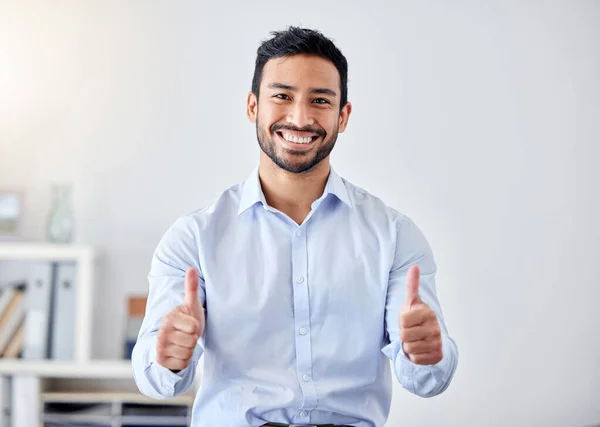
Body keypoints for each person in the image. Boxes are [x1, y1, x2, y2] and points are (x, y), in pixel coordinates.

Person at [132, 26, 458, 427]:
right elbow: (154, 380)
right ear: (253, 107)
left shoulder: (394, 235)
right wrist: (167, 358)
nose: (300, 117)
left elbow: (429, 380)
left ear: (344, 116)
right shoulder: (193, 239)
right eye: (282, 96)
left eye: (320, 100)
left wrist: (425, 353)